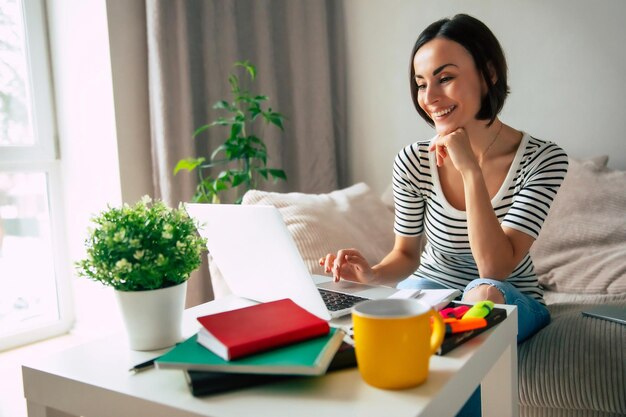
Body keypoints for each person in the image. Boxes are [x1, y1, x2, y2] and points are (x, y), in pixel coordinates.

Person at [320, 13, 569, 344]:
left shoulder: (543, 159)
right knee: (366, 328)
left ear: (489, 74)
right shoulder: (413, 160)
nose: (430, 97)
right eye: (422, 84)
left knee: (482, 296)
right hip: (431, 291)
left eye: (445, 78)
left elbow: (494, 269)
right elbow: (407, 255)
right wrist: (372, 275)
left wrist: (470, 170)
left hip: (507, 298)